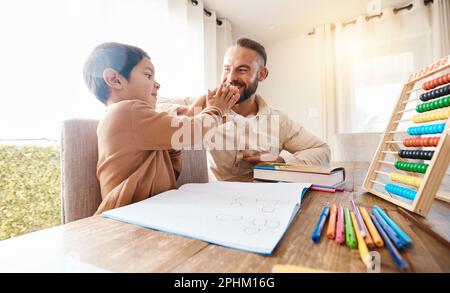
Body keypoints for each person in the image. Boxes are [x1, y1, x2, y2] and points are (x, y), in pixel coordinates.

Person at [83, 42, 240, 214]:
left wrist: (205, 108)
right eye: (148, 75)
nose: (157, 84)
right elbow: (189, 132)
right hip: (126, 217)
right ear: (115, 79)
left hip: (148, 212)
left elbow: (177, 133)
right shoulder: (127, 111)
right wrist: (215, 111)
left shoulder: (133, 118)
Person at [157, 38, 331, 181]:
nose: (231, 78)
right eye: (226, 69)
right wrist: (197, 110)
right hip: (215, 204)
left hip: (266, 203)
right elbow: (149, 106)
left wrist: (280, 161)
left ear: (261, 74)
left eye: (242, 70)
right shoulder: (202, 106)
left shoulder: (279, 120)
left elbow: (322, 151)